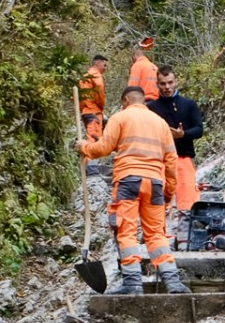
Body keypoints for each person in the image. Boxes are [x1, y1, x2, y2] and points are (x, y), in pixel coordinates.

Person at [80, 85, 189, 296]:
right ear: (143, 101)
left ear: (125, 102)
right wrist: (168, 191)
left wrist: (83, 147)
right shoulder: (161, 124)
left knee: (126, 231)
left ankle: (132, 284)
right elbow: (171, 160)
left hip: (128, 180)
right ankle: (173, 282)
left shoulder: (120, 118)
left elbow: (102, 148)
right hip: (156, 183)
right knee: (156, 234)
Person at [148, 65, 205, 217]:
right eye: (163, 83)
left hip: (183, 157)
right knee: (158, 202)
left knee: (186, 203)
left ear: (176, 82)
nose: (167, 87)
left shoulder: (189, 105)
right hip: (159, 160)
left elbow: (199, 130)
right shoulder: (151, 108)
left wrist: (183, 134)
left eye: (170, 82)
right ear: (157, 84)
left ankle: (184, 237)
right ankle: (159, 237)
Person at [77, 54, 107, 143]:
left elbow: (80, 97)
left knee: (92, 136)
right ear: (97, 63)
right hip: (94, 111)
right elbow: (99, 88)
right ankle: (89, 156)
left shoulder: (84, 77)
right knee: (94, 139)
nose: (106, 68)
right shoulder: (95, 74)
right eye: (104, 65)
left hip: (85, 112)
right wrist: (101, 105)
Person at [128, 35, 159, 99]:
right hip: (158, 103)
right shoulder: (155, 67)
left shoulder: (137, 66)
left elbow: (131, 89)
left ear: (133, 57)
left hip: (144, 102)